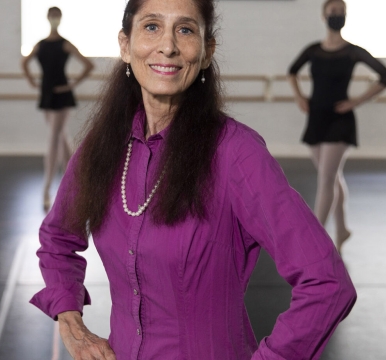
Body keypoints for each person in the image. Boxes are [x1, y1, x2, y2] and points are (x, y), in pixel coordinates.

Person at [29, 0, 356, 359]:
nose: (167, 46)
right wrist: (71, 323)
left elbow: (327, 282)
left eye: (185, 30)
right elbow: (58, 237)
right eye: (151, 26)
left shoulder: (236, 153)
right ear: (125, 45)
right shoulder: (102, 146)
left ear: (205, 51)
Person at [288, 0, 386, 253]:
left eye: (341, 12)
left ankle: (315, 239)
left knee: (325, 179)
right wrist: (300, 97)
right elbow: (292, 71)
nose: (337, 16)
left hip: (339, 121)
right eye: (333, 12)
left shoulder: (352, 51)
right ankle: (343, 229)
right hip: (316, 118)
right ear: (324, 16)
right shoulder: (313, 50)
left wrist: (356, 101)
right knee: (332, 177)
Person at [21, 7, 94, 211]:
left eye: (57, 16)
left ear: (60, 19)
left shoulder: (65, 44)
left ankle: (47, 188)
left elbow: (88, 65)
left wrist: (71, 85)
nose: (54, 19)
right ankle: (74, 183)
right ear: (48, 18)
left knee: (54, 136)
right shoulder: (41, 45)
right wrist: (32, 81)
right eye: (52, 16)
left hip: (61, 94)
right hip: (47, 93)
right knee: (60, 136)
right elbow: (24, 63)